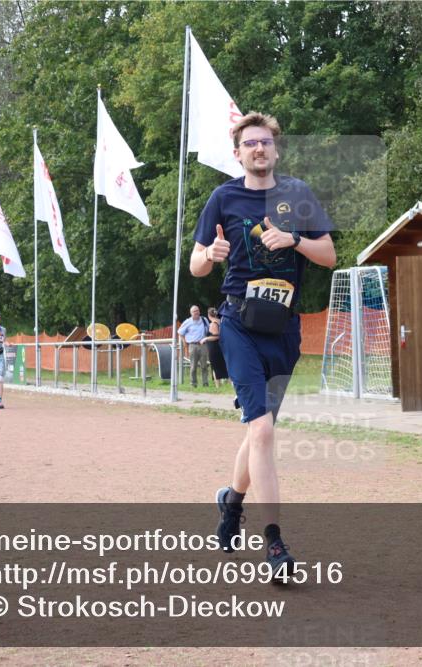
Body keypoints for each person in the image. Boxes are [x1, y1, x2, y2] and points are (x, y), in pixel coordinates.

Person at [190, 111, 336, 580]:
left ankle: (231, 502)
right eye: (250, 143)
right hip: (237, 322)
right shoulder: (222, 197)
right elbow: (195, 263)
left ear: (275, 150)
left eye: (266, 143)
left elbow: (329, 255)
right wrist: (209, 256)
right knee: (265, 432)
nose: (259, 149)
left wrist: (294, 240)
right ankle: (275, 545)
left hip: (284, 328)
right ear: (238, 154)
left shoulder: (299, 195)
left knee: (260, 429)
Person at [177, 305, 211, 388]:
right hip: (192, 345)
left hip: (203, 345)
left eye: (197, 310)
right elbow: (180, 333)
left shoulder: (204, 319)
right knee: (193, 366)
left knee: (204, 366)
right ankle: (193, 383)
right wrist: (184, 342)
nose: (196, 312)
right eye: (194, 311)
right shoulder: (187, 322)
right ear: (191, 313)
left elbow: (209, 330)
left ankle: (205, 383)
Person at [205, 307, 228, 388]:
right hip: (221, 346)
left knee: (215, 366)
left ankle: (218, 386)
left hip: (214, 347)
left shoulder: (213, 324)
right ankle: (226, 383)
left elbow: (216, 336)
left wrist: (206, 338)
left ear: (209, 315)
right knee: (223, 365)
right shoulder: (221, 321)